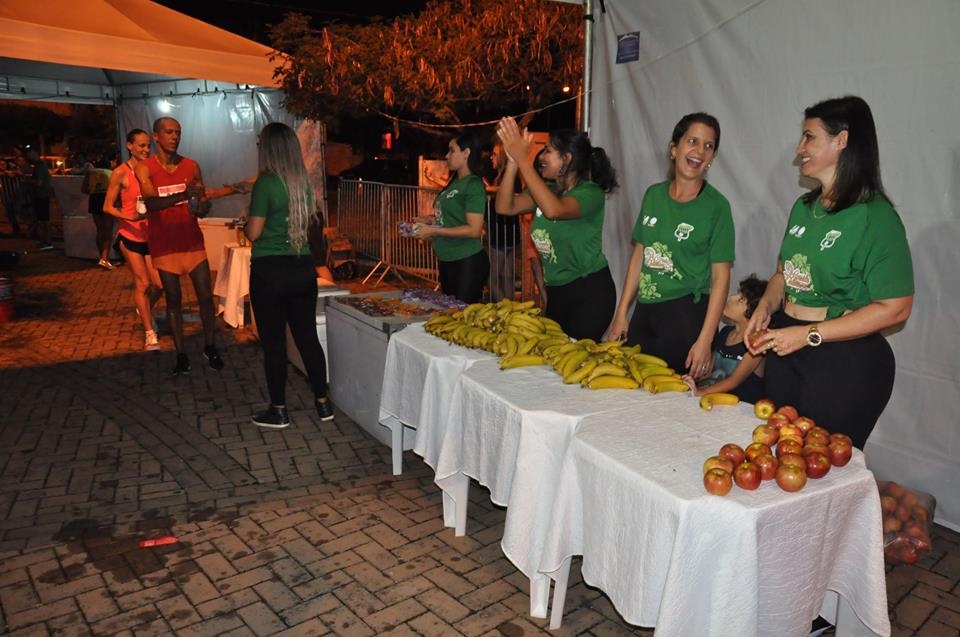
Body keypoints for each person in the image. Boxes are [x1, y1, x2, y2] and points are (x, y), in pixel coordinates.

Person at [745, 95, 913, 450]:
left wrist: (810, 335)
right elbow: (783, 275)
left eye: (809, 137)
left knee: (822, 473)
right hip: (788, 346)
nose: (799, 148)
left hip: (844, 360)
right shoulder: (804, 208)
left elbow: (896, 308)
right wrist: (765, 307)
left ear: (842, 140)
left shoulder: (876, 216)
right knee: (782, 457)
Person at [606, 113, 734, 378]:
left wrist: (705, 340)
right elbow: (639, 255)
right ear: (674, 148)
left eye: (708, 146)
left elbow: (721, 278)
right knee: (632, 391)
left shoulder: (717, 207)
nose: (700, 151)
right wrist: (621, 313)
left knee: (671, 407)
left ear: (712, 158)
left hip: (685, 318)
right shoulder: (653, 195)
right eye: (692, 141)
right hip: (645, 313)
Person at [244, 122, 335, 428]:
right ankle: (323, 403)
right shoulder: (304, 184)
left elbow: (254, 232)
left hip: (270, 271)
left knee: (274, 343)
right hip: (301, 269)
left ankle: (278, 409)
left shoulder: (266, 184)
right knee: (307, 337)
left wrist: (247, 223)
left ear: (268, 149)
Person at [494, 119, 618, 340]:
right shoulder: (548, 190)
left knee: (575, 360)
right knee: (553, 361)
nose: (540, 157)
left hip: (589, 291)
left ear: (567, 159)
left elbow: (554, 210)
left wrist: (524, 159)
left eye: (548, 151)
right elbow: (505, 206)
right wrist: (513, 162)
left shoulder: (591, 194)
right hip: (558, 291)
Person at [135, 117, 238, 375]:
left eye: (178, 133)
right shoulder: (145, 168)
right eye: (168, 132)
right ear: (156, 136)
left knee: (205, 296)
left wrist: (202, 205)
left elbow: (201, 204)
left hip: (192, 241)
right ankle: (181, 353)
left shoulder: (191, 166)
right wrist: (183, 195)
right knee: (174, 299)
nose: (174, 137)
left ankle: (210, 345)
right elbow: (151, 203)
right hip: (165, 244)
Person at [409, 131, 490, 303]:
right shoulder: (454, 182)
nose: (447, 156)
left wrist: (433, 231)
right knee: (450, 314)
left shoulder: (473, 184)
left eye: (452, 150)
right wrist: (430, 220)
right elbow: (451, 218)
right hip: (447, 259)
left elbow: (474, 229)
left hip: (466, 260)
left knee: (462, 317)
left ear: (466, 153)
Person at [104, 129, 164, 350]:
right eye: (141, 145)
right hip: (130, 235)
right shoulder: (121, 172)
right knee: (143, 283)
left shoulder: (152, 170)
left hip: (152, 235)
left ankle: (144, 308)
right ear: (129, 146)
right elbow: (107, 206)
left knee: (159, 284)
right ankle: (150, 332)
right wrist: (127, 215)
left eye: (148, 146)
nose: (146, 150)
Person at [683, 275, 767, 403]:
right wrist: (693, 378)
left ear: (755, 312)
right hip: (717, 402)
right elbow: (709, 370)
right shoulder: (725, 332)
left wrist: (701, 392)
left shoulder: (757, 344)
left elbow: (735, 380)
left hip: (742, 410)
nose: (732, 297)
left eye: (741, 299)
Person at [485, 145, 520, 302]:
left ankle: (505, 309)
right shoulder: (501, 176)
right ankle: (511, 310)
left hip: (501, 234)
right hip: (508, 234)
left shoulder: (509, 176)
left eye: (494, 154)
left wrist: (489, 190)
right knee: (507, 277)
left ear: (501, 156)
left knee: (490, 278)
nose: (491, 158)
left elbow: (508, 196)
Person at [83, 157, 115, 269]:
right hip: (107, 199)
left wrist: (95, 190)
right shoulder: (112, 173)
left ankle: (101, 256)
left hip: (94, 200)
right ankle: (105, 258)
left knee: (100, 230)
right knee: (108, 230)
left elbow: (84, 189)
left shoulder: (90, 173)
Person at [25, 149, 53, 250]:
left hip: (42, 195)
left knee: (44, 220)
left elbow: (39, 182)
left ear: (34, 153)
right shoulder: (39, 165)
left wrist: (27, 181)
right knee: (43, 219)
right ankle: (45, 241)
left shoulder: (40, 165)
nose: (28, 156)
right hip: (42, 195)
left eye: (29, 153)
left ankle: (48, 242)